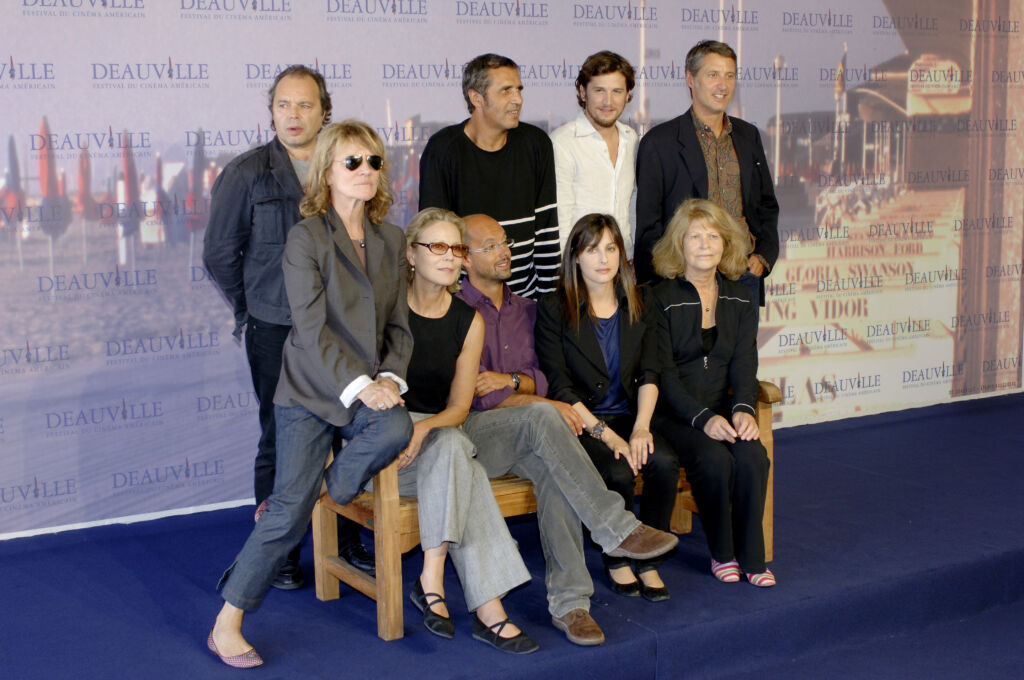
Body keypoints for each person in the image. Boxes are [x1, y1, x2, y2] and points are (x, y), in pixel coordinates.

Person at [207, 121, 414, 668]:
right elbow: (311, 328)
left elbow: (399, 324)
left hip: (367, 391)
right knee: (283, 515)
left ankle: (326, 491)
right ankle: (228, 619)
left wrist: (391, 378)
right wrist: (362, 385)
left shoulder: (393, 240)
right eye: (352, 163)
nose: (365, 171)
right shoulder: (306, 237)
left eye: (373, 162)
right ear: (327, 170)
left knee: (397, 426)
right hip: (309, 390)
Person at [457, 213, 679, 647]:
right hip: (473, 437)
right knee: (547, 417)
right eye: (491, 246)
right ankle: (617, 529)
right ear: (465, 258)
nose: (505, 252)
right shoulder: (456, 311)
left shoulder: (527, 310)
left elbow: (546, 377)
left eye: (506, 242)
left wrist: (515, 383)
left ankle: (571, 604)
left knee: (556, 471)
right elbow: (475, 395)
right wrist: (533, 394)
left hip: (531, 435)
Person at [202, 66, 373, 589]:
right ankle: (279, 553)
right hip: (275, 330)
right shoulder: (247, 173)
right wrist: (253, 307)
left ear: (325, 109)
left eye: (304, 105)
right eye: (283, 105)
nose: (293, 115)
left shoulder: (345, 164)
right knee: (281, 438)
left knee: (345, 434)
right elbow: (218, 255)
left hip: (341, 328)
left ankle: (343, 541)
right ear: (271, 110)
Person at [394, 207, 537, 654]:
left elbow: (458, 408)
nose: (449, 256)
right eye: (436, 246)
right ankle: (489, 610)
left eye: (455, 248)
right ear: (411, 255)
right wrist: (411, 432)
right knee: (462, 462)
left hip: (438, 439)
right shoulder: (385, 308)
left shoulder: (466, 321)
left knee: (455, 448)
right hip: (389, 447)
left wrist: (426, 430)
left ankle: (431, 575)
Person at [534, 214, 679, 602]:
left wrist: (641, 428)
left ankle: (649, 560)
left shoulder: (641, 303)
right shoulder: (553, 307)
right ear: (575, 258)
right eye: (592, 249)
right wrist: (608, 435)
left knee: (662, 462)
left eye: (611, 248)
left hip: (633, 416)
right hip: (584, 422)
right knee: (616, 470)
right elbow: (559, 385)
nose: (603, 258)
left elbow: (651, 370)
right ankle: (616, 555)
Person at [648, 198, 774, 589]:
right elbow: (662, 374)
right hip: (673, 414)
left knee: (753, 455)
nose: (705, 244)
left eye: (714, 236)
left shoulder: (740, 297)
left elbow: (744, 363)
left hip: (723, 408)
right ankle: (722, 552)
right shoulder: (660, 298)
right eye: (695, 236)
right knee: (714, 459)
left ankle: (753, 557)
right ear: (679, 245)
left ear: (727, 244)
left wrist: (742, 410)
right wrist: (704, 419)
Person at [634, 40, 779, 315]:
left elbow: (767, 205)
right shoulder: (660, 142)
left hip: (742, 278)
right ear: (691, 78)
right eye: (712, 75)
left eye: (729, 75)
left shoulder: (748, 136)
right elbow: (648, 226)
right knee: (683, 359)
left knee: (742, 359)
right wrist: (658, 289)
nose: (723, 85)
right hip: (683, 283)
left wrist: (763, 256)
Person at [419, 53, 559, 299]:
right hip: (461, 303)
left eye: (519, 89)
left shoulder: (536, 144)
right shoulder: (443, 150)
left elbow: (547, 234)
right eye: (506, 91)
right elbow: (434, 240)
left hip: (525, 304)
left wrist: (549, 305)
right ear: (477, 98)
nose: (518, 99)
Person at [550, 51, 638, 257]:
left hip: (623, 262)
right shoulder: (563, 142)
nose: (608, 101)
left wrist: (631, 256)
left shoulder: (631, 138)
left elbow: (632, 203)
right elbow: (561, 216)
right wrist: (567, 271)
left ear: (627, 95)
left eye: (617, 91)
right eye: (599, 90)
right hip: (580, 263)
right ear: (583, 92)